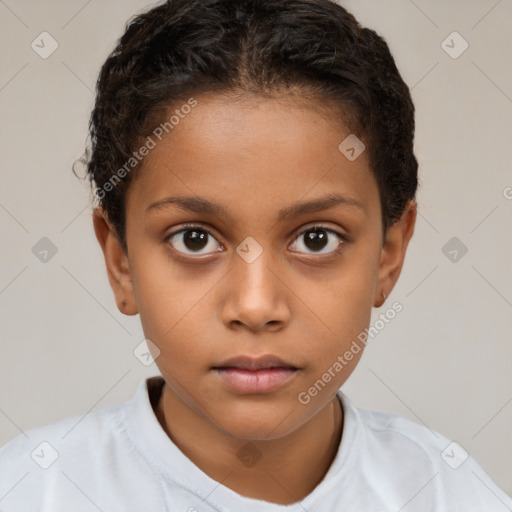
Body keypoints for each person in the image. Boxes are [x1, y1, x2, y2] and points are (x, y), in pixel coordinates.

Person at [1, 0, 511, 510]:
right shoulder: (31, 490)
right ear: (122, 262)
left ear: (388, 255)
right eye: (194, 239)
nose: (255, 306)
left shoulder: (451, 493)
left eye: (316, 239)